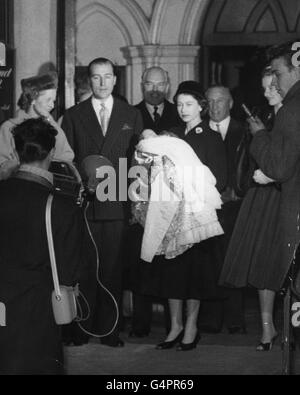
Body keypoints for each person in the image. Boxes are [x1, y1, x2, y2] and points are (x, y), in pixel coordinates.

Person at [138, 81, 227, 351]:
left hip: (196, 217)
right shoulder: (171, 135)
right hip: (169, 215)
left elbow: (220, 179)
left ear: (201, 105)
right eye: (179, 104)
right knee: (172, 275)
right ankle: (174, 325)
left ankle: (191, 326)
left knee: (194, 276)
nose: (183, 109)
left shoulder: (210, 137)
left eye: (189, 104)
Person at [61, 57, 143, 348]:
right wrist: (81, 185)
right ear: (89, 80)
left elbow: (138, 161)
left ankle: (110, 329)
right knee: (85, 267)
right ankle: (83, 326)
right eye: (96, 77)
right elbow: (65, 161)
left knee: (113, 267)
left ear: (115, 79)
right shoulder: (73, 116)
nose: (103, 82)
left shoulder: (130, 114)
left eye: (108, 76)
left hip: (117, 203)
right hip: (85, 204)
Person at [0, 118, 85, 375]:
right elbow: (70, 269)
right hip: (40, 309)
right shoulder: (61, 206)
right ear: (50, 153)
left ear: (16, 151)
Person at [219, 67, 283, 350]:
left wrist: (274, 173)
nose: (268, 92)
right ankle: (267, 329)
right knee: (263, 264)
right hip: (263, 198)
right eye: (265, 87)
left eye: (273, 87)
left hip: (285, 193)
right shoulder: (263, 116)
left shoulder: (292, 115)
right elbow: (251, 155)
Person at [245, 41, 300, 348]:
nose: (274, 82)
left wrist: (259, 136)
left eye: (278, 73)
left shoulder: (292, 109)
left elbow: (279, 167)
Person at [128, 66, 183, 338]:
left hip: (174, 199)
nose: (155, 88)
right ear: (141, 84)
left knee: (172, 263)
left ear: (168, 85)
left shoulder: (180, 112)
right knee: (143, 262)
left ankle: (175, 325)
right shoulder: (130, 114)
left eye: (160, 84)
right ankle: (141, 323)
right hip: (142, 199)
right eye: (150, 83)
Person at [197, 85, 247, 335]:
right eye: (210, 101)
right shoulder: (198, 131)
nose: (215, 106)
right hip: (206, 208)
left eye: (220, 101)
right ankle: (211, 317)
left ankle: (235, 318)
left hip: (234, 207)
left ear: (231, 103)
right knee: (209, 262)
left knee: (233, 261)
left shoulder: (245, 131)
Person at [0, 72, 74, 180]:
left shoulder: (52, 126)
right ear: (33, 99)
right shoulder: (8, 127)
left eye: (53, 101)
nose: (52, 105)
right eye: (48, 100)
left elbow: (66, 159)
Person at [135, 66, 183, 134]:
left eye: (160, 84)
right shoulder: (132, 114)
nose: (155, 89)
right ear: (142, 87)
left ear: (167, 88)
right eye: (149, 84)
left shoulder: (179, 113)